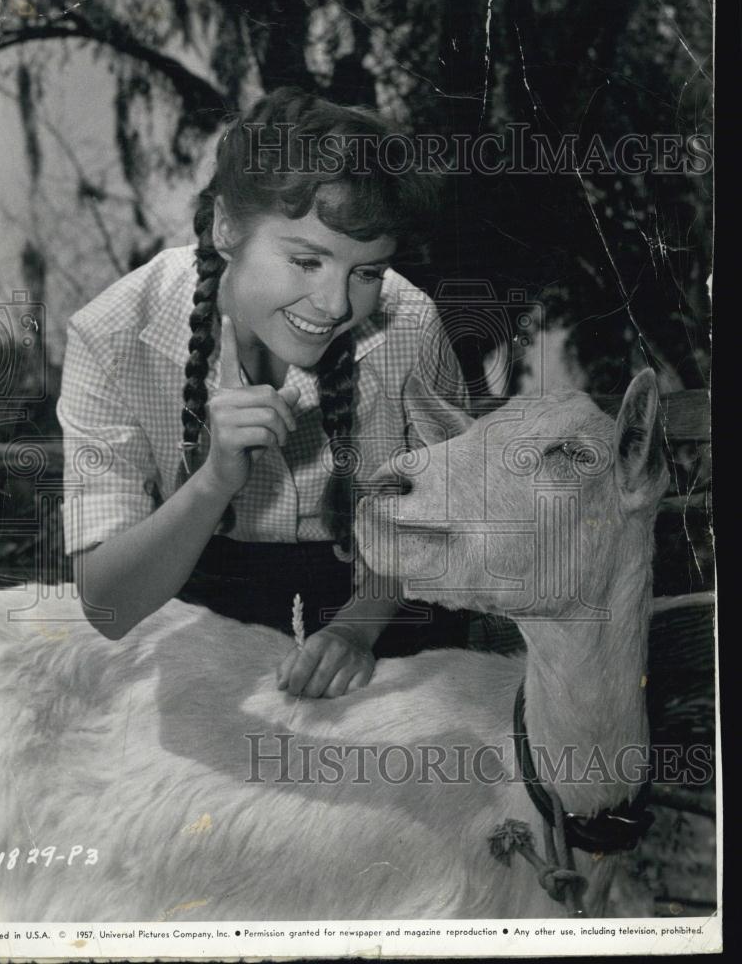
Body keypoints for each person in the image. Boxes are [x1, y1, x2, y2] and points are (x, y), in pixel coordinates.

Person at [57, 87, 471, 700]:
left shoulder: (411, 323)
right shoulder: (112, 335)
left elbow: (450, 512)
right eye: (307, 261)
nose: (335, 305)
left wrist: (356, 631)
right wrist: (211, 484)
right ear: (227, 226)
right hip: (205, 626)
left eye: (366, 272)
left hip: (387, 614)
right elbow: (108, 607)